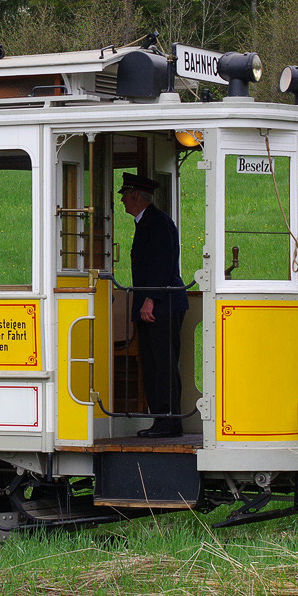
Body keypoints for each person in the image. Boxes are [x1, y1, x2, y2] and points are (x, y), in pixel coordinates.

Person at [120, 173, 190, 438]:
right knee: (152, 364)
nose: (124, 201)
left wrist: (150, 299)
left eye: (126, 195)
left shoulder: (157, 223)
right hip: (156, 305)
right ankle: (160, 419)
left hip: (163, 305)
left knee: (163, 364)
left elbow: (162, 263)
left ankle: (170, 421)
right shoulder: (147, 222)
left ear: (137, 196)